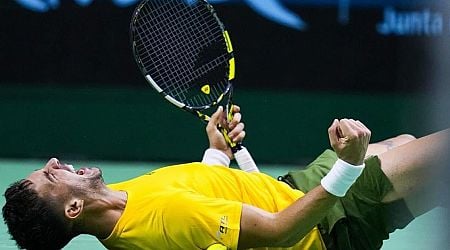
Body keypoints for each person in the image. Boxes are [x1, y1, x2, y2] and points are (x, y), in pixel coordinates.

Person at [2, 106, 449, 250]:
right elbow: (276, 232)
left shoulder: (120, 203)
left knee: (411, 146)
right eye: (50, 176)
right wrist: (348, 166)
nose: (55, 161)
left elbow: (197, 194)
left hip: (292, 189)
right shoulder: (159, 219)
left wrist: (216, 150)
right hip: (325, 222)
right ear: (73, 208)